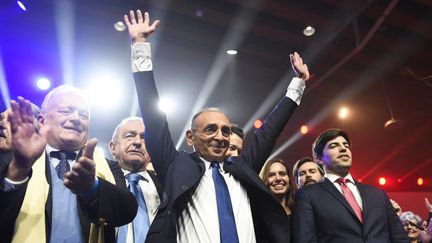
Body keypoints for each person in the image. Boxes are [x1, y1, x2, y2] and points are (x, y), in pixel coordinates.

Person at [124, 9, 309, 243]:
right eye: (210, 129)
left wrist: (298, 83)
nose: (221, 137)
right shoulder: (174, 165)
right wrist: (140, 45)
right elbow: (153, 116)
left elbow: (269, 131)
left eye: (226, 130)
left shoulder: (242, 167)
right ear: (190, 137)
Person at [0, 86, 138, 243]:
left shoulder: (109, 166)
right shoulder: (13, 161)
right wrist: (19, 169)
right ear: (42, 120)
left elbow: (127, 211)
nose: (75, 118)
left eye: (83, 115)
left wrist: (93, 188)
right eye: (65, 111)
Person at [292, 128, 409, 242]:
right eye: (334, 146)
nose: (343, 148)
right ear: (318, 158)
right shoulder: (307, 195)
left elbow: (399, 238)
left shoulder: (378, 194)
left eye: (346, 145)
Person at [108, 117, 162, 243]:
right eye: (129, 136)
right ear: (112, 147)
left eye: (144, 138)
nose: (137, 142)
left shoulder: (166, 185)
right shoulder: (100, 179)